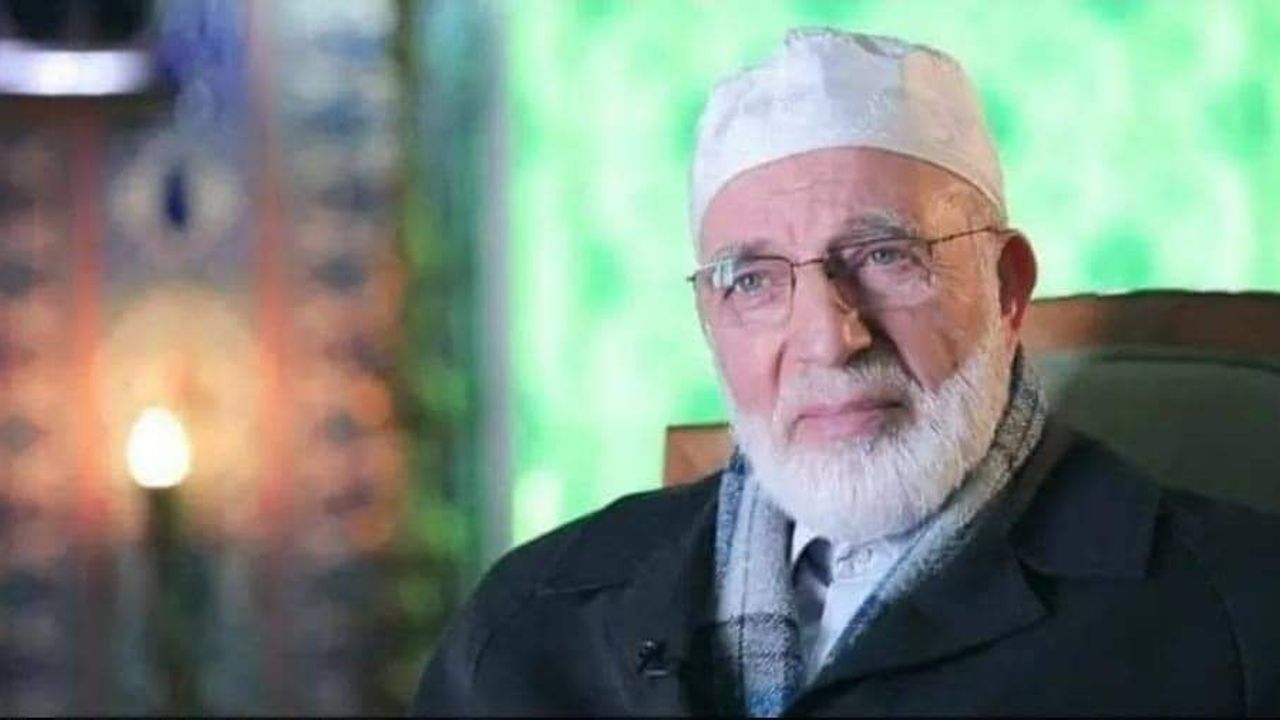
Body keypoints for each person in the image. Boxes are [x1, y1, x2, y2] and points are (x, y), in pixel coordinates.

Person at [413, 28, 1280, 716]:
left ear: (1006, 287)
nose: (830, 339)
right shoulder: (533, 621)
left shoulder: (1241, 621)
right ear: (710, 320)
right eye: (753, 280)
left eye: (885, 256)